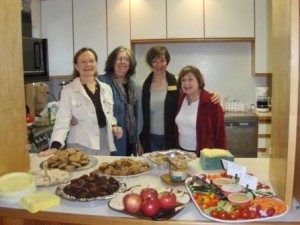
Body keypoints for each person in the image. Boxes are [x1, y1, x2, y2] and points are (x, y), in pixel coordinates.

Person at [38, 47, 123, 157]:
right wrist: (55, 147)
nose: (88, 65)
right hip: (80, 144)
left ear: (96, 63)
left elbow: (109, 115)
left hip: (104, 142)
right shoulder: (68, 91)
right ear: (76, 66)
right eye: (83, 62)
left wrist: (114, 126)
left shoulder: (106, 88)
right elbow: (61, 123)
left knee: (101, 174)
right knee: (81, 174)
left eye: (91, 61)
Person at [138, 46, 220, 154]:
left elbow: (194, 91)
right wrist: (137, 140)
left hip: (172, 136)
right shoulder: (142, 85)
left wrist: (213, 96)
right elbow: (139, 115)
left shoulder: (176, 81)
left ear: (167, 61)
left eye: (162, 60)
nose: (159, 65)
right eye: (154, 61)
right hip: (149, 138)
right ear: (150, 63)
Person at [174, 65, 227, 157]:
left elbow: (220, 135)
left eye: (190, 79)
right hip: (181, 153)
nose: (186, 83)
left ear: (199, 81)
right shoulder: (180, 99)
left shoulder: (211, 102)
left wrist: (221, 158)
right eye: (183, 80)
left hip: (203, 154)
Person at [99, 46, 138, 156]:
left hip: (129, 139)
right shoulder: (102, 82)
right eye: (119, 59)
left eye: (126, 59)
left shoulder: (132, 85)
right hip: (111, 139)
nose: (123, 62)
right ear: (112, 62)